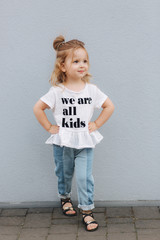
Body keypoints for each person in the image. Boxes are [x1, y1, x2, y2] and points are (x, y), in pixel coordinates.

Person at [33, 35, 115, 231]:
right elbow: (38, 108)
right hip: (63, 142)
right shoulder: (57, 91)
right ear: (62, 66)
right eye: (76, 61)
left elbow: (109, 106)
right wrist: (49, 127)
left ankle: (87, 211)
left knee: (84, 177)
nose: (82, 65)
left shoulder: (92, 90)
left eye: (85, 61)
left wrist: (96, 123)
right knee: (64, 172)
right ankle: (65, 197)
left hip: (84, 142)